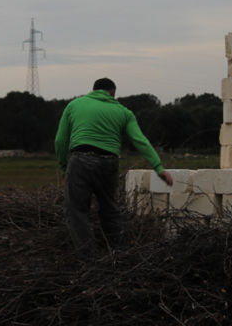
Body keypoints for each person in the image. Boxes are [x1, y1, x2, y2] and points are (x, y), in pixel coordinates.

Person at [54, 77, 173, 254]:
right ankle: (119, 253)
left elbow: (60, 140)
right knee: (109, 209)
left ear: (93, 90)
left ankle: (89, 257)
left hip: (80, 160)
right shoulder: (123, 112)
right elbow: (141, 141)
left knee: (77, 211)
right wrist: (159, 168)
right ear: (113, 93)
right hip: (108, 163)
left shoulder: (74, 105)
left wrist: (64, 169)